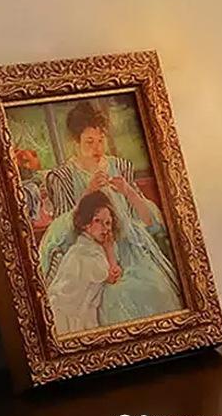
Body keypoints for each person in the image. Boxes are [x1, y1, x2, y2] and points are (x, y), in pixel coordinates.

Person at [40, 101, 182, 326]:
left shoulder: (120, 167)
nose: (97, 148)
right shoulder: (62, 177)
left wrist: (128, 192)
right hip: (92, 255)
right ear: (75, 143)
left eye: (100, 140)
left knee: (155, 290)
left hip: (131, 250)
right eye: (89, 142)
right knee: (115, 299)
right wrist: (88, 193)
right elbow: (63, 232)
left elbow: (150, 222)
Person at [47, 191, 122, 334]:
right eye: (97, 221)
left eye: (108, 223)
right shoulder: (84, 253)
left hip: (80, 312)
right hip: (66, 315)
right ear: (85, 224)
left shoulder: (91, 247)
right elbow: (111, 277)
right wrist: (109, 249)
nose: (104, 228)